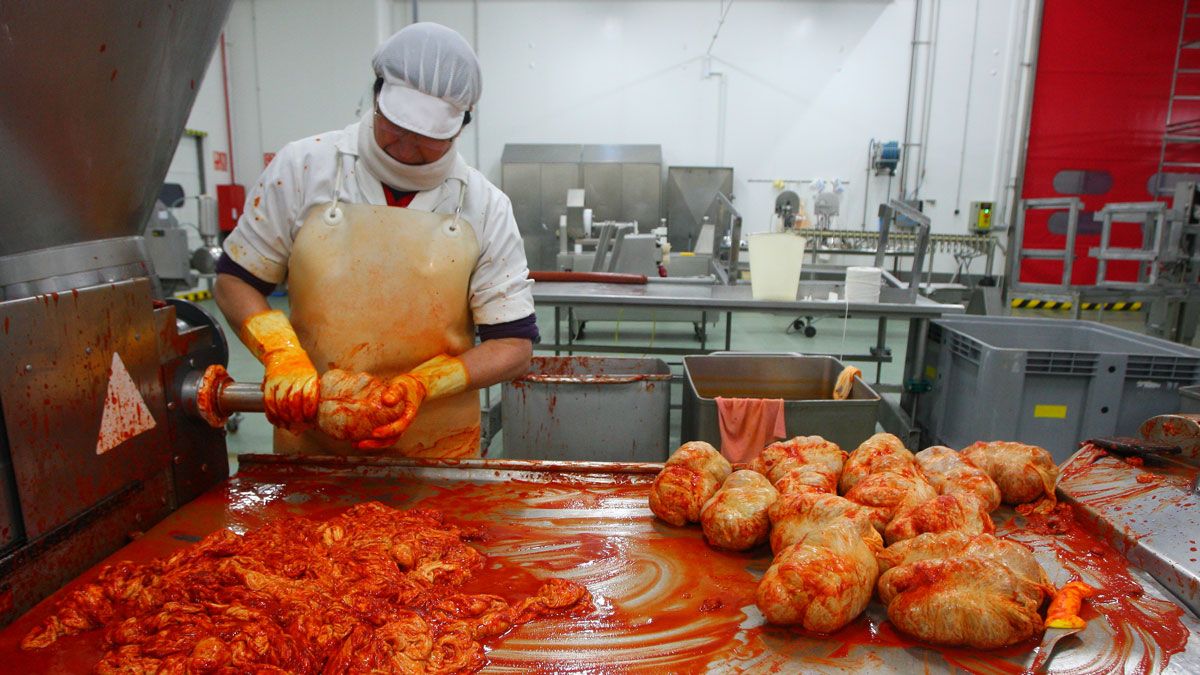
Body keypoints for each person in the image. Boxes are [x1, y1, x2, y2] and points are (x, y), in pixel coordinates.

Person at [214, 22, 536, 458]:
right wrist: (281, 353)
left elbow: (513, 347)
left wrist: (420, 385)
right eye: (396, 127)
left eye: (428, 137)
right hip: (312, 443)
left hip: (436, 452)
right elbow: (236, 281)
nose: (406, 147)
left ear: (460, 127)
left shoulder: (484, 206)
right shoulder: (305, 168)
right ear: (376, 97)